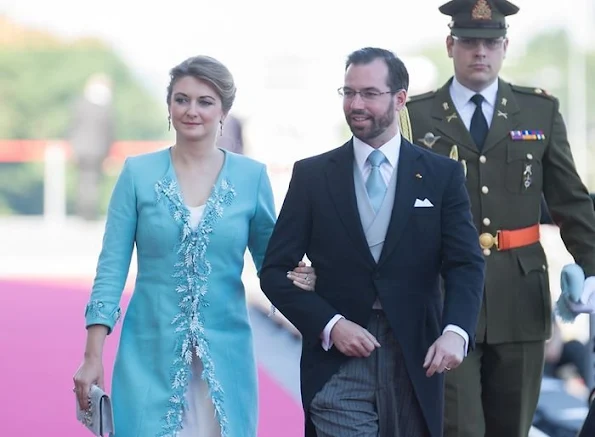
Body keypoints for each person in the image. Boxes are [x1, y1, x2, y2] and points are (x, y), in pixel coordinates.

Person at [72, 55, 317, 437]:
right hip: (147, 353)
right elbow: (111, 268)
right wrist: (92, 356)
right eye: (181, 99)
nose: (192, 110)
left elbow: (274, 264)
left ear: (224, 111)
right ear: (169, 106)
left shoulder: (251, 177)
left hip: (226, 356)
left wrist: (312, 281)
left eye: (205, 101)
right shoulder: (137, 174)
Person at [260, 47, 485, 437]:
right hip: (337, 364)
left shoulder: (441, 175)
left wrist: (456, 331)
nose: (355, 104)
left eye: (368, 93)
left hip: (417, 357)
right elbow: (275, 271)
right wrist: (330, 325)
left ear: (399, 99)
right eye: (348, 93)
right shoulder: (312, 176)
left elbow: (465, 263)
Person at [405, 1, 595, 436]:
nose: (480, 52)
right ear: (450, 44)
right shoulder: (416, 117)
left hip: (519, 295)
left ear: (505, 46)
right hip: (444, 296)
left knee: (513, 428)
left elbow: (571, 202)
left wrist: (592, 268)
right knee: (460, 428)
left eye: (490, 42)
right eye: (470, 42)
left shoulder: (537, 112)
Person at [69, 73, 115, 220]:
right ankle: (90, 213)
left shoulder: (80, 104)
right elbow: (110, 133)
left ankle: (82, 212)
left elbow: (73, 127)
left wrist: (73, 147)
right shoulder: (107, 108)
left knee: (83, 180)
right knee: (93, 181)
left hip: (81, 149)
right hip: (99, 150)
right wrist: (109, 153)